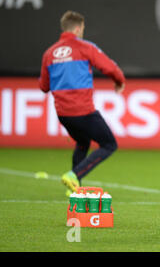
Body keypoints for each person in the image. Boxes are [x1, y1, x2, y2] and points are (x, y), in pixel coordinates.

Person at [39, 10, 125, 195]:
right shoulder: (85, 47)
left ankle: (73, 188)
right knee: (109, 144)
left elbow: (44, 86)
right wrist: (119, 81)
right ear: (78, 28)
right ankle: (74, 175)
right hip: (83, 111)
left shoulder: (49, 53)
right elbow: (109, 67)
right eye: (83, 28)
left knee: (82, 141)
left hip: (63, 114)